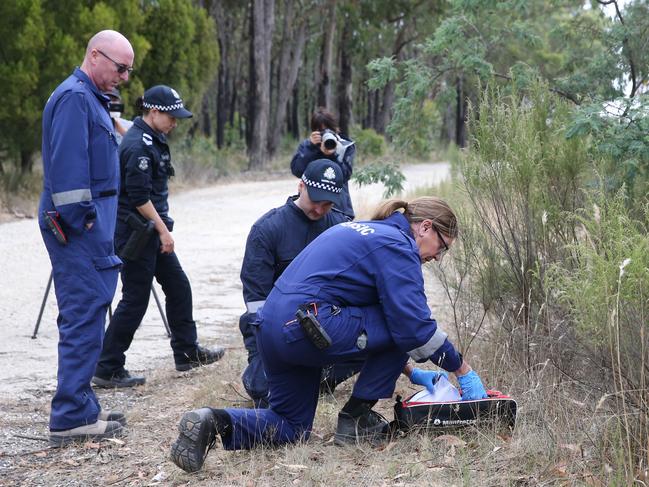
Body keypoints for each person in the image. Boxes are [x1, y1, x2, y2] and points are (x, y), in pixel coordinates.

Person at [170, 196, 488, 472]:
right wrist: (463, 370)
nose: (437, 257)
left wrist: (411, 370)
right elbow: (412, 327)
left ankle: (212, 421)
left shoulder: (365, 231)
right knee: (404, 325)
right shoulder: (397, 247)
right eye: (442, 247)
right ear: (425, 227)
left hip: (274, 329)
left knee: (291, 426)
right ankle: (356, 421)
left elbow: (371, 319)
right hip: (307, 327)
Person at [92, 85, 225, 388]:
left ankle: (186, 353)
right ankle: (107, 366)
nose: (175, 122)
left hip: (151, 232)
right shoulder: (138, 145)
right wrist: (164, 230)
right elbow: (139, 198)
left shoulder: (153, 138)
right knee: (135, 300)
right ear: (153, 112)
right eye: (171, 117)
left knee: (178, 287)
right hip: (138, 234)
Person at [38, 30, 134, 446]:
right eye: (120, 67)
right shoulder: (75, 98)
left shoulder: (91, 99)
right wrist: (88, 223)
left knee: (91, 313)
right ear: (95, 56)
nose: (125, 77)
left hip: (92, 230)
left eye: (128, 70)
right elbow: (70, 174)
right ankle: (71, 416)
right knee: (82, 316)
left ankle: (81, 405)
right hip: (79, 231)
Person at [239, 159, 363, 407]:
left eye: (327, 204)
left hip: (326, 325)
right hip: (278, 329)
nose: (319, 209)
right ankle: (278, 374)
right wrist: (264, 349)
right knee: (264, 390)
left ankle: (320, 377)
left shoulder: (342, 227)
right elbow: (256, 301)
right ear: (301, 186)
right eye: (315, 200)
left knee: (375, 339)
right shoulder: (268, 229)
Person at [290, 108, 355, 219]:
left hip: (339, 207)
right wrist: (311, 149)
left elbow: (345, 175)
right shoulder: (308, 146)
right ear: (314, 131)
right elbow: (297, 170)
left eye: (329, 130)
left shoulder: (345, 146)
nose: (326, 134)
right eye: (321, 131)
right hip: (309, 207)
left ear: (336, 129)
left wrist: (332, 154)